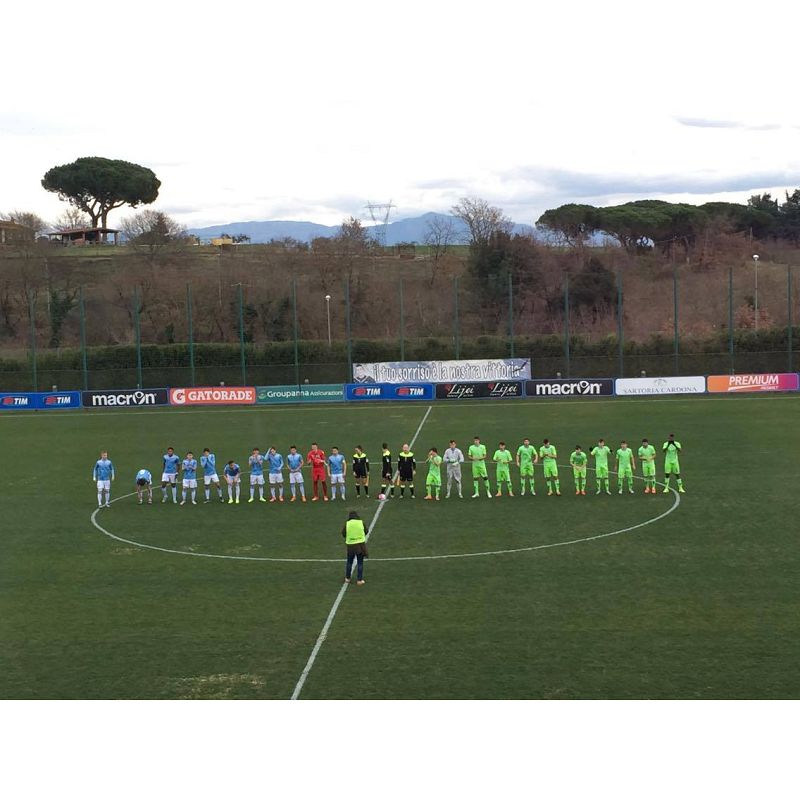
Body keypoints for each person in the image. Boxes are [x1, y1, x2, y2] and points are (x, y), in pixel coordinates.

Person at [342, 510, 369, 586]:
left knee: (349, 562)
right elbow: (366, 531)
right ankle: (359, 580)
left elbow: (343, 533)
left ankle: (347, 578)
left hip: (350, 545)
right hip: (360, 545)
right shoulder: (360, 522)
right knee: (360, 562)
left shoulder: (347, 523)